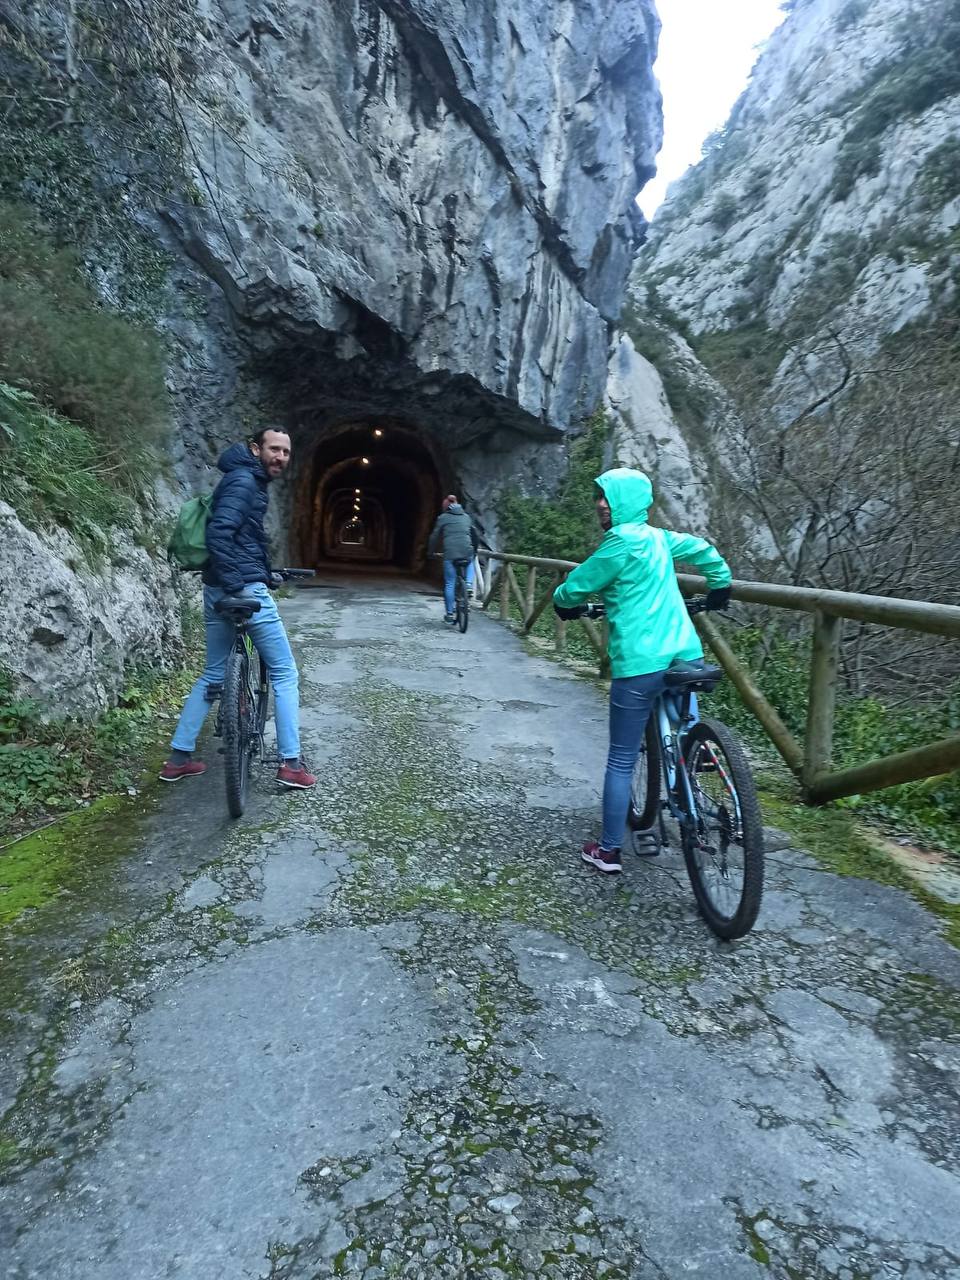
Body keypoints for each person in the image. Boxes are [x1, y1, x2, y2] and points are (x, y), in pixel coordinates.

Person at [553, 467, 731, 874]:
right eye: (599, 496)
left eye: (607, 496)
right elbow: (703, 549)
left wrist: (563, 602)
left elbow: (574, 587)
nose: (600, 504)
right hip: (685, 653)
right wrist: (720, 584)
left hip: (640, 664)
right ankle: (697, 754)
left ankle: (609, 851)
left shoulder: (618, 544)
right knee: (684, 719)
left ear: (624, 502)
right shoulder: (660, 538)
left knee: (621, 759)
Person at [160, 428, 317, 790]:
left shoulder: (243, 479)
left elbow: (242, 540)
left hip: (219, 587)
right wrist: (240, 584)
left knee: (214, 674)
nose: (281, 457)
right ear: (255, 449)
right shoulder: (244, 481)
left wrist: (264, 572)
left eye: (286, 452)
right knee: (284, 672)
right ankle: (291, 764)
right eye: (274, 449)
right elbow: (220, 533)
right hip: (241, 589)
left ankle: (178, 760)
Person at [428, 494, 479, 623]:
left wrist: (430, 552)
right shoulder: (466, 517)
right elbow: (475, 535)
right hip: (466, 551)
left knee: (450, 583)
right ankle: (468, 584)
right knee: (471, 560)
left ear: (446, 507)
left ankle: (450, 614)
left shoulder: (443, 518)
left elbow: (434, 536)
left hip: (450, 554)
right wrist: (474, 550)